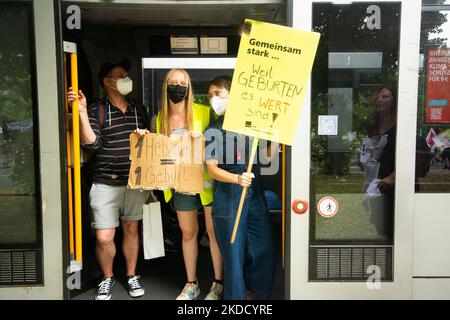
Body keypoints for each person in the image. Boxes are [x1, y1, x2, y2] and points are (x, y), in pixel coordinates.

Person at [67, 59, 149, 300]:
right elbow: (91, 143)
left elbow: (149, 145)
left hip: (135, 182)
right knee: (104, 237)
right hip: (105, 183)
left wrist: (145, 136)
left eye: (127, 74)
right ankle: (107, 277)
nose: (127, 79)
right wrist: (81, 112)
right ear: (107, 81)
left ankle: (132, 275)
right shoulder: (96, 110)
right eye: (121, 75)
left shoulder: (138, 108)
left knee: (131, 229)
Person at [146, 68, 223, 300]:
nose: (177, 86)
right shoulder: (159, 118)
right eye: (173, 82)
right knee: (188, 233)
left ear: (188, 88)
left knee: (213, 232)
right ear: (166, 86)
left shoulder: (204, 112)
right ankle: (192, 284)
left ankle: (218, 284)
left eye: (182, 82)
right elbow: (157, 152)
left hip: (207, 183)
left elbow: (220, 140)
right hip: (180, 184)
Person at [205, 75, 276, 300]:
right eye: (210, 96)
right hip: (228, 196)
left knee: (262, 246)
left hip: (254, 194)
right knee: (233, 255)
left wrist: (275, 134)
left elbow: (267, 157)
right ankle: (234, 301)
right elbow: (211, 169)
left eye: (218, 93)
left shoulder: (252, 124)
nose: (213, 99)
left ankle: (257, 294)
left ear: (233, 94)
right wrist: (236, 179)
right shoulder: (213, 130)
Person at [362, 85, 397, 238]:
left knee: (394, 227)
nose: (379, 100)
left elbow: (412, 155)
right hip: (376, 183)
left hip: (394, 184)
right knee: (380, 225)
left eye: (385, 97)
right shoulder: (374, 124)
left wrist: (392, 178)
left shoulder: (402, 124)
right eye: (378, 96)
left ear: (395, 100)